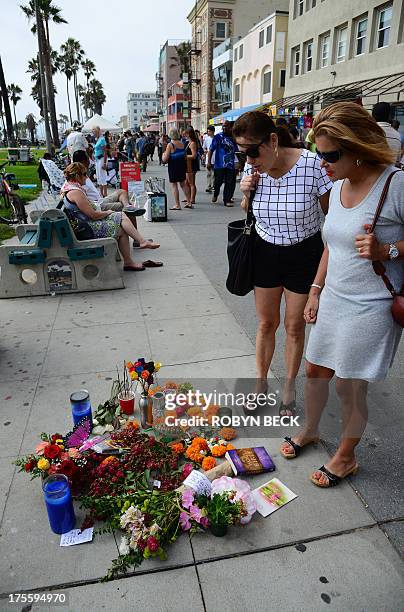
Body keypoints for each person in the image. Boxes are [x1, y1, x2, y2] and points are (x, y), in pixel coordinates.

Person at [280, 101, 404, 487]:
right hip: (334, 296)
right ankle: (312, 430)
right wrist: (315, 291)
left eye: (331, 155)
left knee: (348, 384)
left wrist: (389, 251)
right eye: (319, 153)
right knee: (316, 371)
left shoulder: (395, 184)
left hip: (373, 305)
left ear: (359, 148)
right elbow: (332, 247)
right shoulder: (336, 189)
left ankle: (346, 457)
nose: (322, 163)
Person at [233, 110, 332, 412]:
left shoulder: (312, 165)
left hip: (304, 253)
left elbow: (333, 215)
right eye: (241, 154)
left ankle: (288, 389)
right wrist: (245, 191)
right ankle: (260, 383)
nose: (248, 159)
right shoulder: (253, 170)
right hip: (264, 251)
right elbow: (248, 209)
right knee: (266, 323)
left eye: (252, 151)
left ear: (273, 140)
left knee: (293, 326)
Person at [61, 163, 159, 271]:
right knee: (121, 226)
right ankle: (135, 251)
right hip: (87, 229)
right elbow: (93, 215)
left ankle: (137, 248)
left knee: (121, 217)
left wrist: (108, 212)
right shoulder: (76, 192)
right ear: (77, 176)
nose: (87, 177)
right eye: (84, 174)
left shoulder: (71, 189)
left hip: (85, 225)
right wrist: (108, 212)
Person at [207, 120, 238, 207]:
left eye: (226, 126)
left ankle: (227, 200)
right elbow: (210, 150)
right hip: (219, 165)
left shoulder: (233, 138)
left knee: (229, 182)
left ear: (230, 127)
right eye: (223, 126)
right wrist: (209, 162)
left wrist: (241, 163)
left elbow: (237, 151)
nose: (224, 128)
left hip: (230, 165)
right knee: (218, 182)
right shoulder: (218, 137)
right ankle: (216, 193)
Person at [162, 128, 192, 211]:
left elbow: (165, 159)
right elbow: (185, 156)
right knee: (183, 184)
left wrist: (163, 155)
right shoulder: (182, 143)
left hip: (173, 166)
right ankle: (189, 202)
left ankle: (177, 204)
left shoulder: (170, 145)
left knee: (174, 185)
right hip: (182, 166)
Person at [185, 126, 200, 207]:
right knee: (187, 182)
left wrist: (185, 156)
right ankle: (189, 197)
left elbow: (194, 156)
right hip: (189, 164)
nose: (185, 135)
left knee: (191, 183)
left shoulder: (193, 143)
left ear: (189, 134)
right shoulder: (189, 142)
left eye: (186, 134)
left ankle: (192, 198)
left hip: (192, 165)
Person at [92, 126, 108, 197]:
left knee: (102, 176)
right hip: (97, 160)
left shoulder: (102, 139)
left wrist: (104, 163)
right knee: (98, 176)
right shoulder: (98, 139)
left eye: (94, 132)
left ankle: (105, 193)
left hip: (101, 159)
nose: (93, 133)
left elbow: (105, 152)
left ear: (98, 132)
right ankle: (101, 193)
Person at [203, 126, 215, 192]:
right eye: (207, 131)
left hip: (215, 159)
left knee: (214, 174)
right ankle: (208, 186)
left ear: (213, 131)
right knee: (208, 173)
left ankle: (213, 186)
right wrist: (205, 151)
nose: (208, 132)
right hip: (208, 159)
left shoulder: (216, 139)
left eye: (209, 131)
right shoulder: (207, 139)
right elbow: (204, 147)